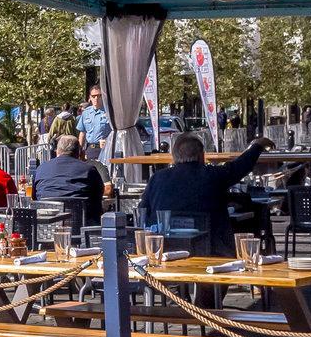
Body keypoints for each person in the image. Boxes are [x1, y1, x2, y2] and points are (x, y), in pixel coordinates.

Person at [139, 132, 271, 253]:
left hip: (165, 250)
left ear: (174, 156)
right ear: (202, 156)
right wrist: (257, 145)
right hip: (214, 251)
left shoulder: (157, 178)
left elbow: (143, 210)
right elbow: (241, 166)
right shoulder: (213, 175)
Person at [30, 134, 104, 225]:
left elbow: (34, 197)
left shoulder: (41, 169)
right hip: (82, 228)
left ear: (57, 151)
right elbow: (98, 197)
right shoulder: (88, 170)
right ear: (79, 152)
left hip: (47, 229)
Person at [76, 87, 111, 156]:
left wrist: (108, 140)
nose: (96, 98)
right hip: (90, 149)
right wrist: (79, 150)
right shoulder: (86, 113)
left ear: (103, 96)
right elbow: (82, 133)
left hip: (106, 149)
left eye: (99, 96)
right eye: (93, 96)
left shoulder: (110, 112)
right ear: (90, 97)